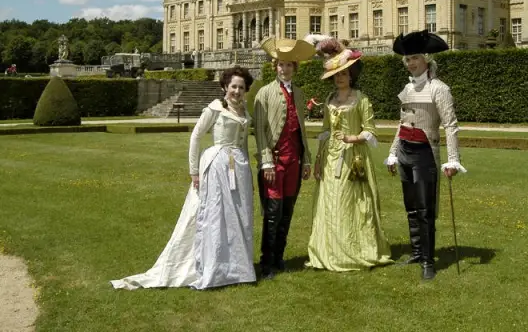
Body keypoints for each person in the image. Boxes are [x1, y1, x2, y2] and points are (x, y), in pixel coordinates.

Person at [111, 66, 256, 290]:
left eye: (241, 87)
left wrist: (246, 170)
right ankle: (213, 265)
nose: (236, 91)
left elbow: (243, 143)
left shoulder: (244, 110)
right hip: (217, 165)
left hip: (238, 167)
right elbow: (196, 136)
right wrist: (194, 171)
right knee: (215, 215)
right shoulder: (215, 108)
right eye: (233, 86)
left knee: (237, 215)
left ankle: (237, 268)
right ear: (225, 87)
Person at [385, 30, 467, 281]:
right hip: (406, 151)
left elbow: (450, 125)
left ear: (426, 60)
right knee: (411, 208)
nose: (410, 63)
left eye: (415, 58)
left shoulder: (439, 89)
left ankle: (428, 262)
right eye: (408, 59)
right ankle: (417, 252)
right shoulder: (408, 88)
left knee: (425, 209)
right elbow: (402, 123)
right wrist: (392, 153)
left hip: (425, 153)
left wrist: (453, 159)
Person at [306, 37, 393, 271]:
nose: (340, 78)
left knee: (352, 203)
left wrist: (352, 138)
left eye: (343, 74)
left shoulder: (361, 99)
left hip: (354, 158)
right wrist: (317, 159)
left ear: (350, 75)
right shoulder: (329, 99)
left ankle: (355, 249)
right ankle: (330, 249)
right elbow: (325, 131)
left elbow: (371, 131)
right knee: (331, 202)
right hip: (331, 157)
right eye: (336, 75)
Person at [253, 37, 316, 279]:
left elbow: (301, 129)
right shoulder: (264, 93)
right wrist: (266, 160)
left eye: (289, 65)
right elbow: (259, 130)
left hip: (294, 162)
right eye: (281, 64)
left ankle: (279, 258)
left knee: (287, 212)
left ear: (295, 67)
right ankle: (266, 262)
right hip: (274, 162)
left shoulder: (299, 94)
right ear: (274, 66)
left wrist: (306, 160)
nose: (284, 68)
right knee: (272, 212)